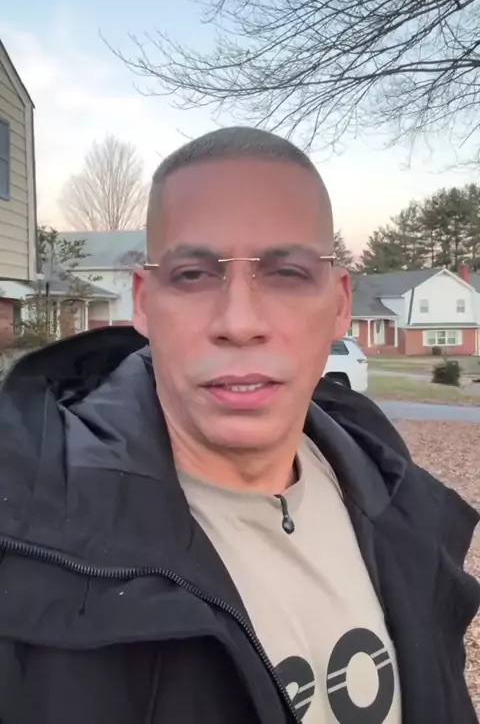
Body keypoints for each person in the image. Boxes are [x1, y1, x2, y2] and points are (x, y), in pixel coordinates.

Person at [0, 127, 478, 724]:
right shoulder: (27, 551)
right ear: (144, 303)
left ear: (339, 304)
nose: (240, 322)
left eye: (287, 273)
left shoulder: (400, 503)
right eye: (194, 275)